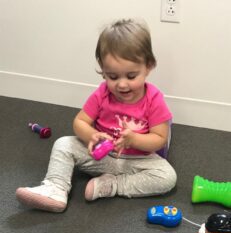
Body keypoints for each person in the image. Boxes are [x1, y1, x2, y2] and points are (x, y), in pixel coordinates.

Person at [16, 19, 177, 213]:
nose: (122, 85)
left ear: (149, 66)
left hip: (136, 161)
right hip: (100, 155)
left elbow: (159, 139)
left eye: (131, 76)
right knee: (63, 144)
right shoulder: (102, 94)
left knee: (167, 177)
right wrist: (91, 135)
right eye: (113, 77)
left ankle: (112, 185)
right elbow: (80, 122)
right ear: (103, 70)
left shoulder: (154, 99)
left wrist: (135, 139)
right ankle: (55, 187)